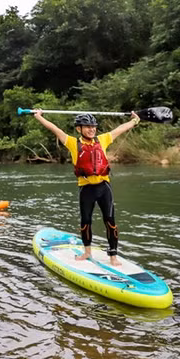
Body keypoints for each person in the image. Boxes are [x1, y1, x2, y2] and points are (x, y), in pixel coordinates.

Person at [33, 110, 141, 266]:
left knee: (110, 221)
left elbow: (120, 129)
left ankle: (113, 256)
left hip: (104, 187)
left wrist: (135, 120)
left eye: (93, 126)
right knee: (86, 221)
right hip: (86, 189)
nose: (92, 129)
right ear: (79, 129)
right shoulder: (72, 143)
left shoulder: (102, 140)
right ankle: (87, 252)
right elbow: (54, 129)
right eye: (88, 126)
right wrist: (38, 116)